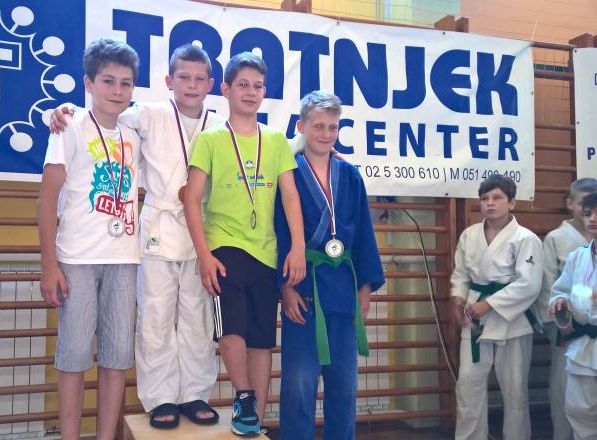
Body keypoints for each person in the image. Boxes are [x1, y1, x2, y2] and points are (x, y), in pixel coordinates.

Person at [49, 44, 227, 429]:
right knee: (155, 317)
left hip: (201, 230)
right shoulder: (147, 114)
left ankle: (195, 393)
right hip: (156, 228)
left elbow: (254, 140)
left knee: (197, 317)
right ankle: (161, 398)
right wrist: (64, 110)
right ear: (169, 81)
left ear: (211, 84)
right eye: (183, 77)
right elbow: (101, 114)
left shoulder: (220, 123)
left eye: (199, 78)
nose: (191, 85)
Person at [184, 51, 306, 436]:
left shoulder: (276, 140)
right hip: (225, 247)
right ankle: (244, 396)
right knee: (232, 328)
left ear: (264, 92)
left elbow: (290, 197)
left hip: (266, 252)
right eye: (243, 85)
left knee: (262, 338)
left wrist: (298, 247)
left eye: (257, 86)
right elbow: (191, 198)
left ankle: (257, 420)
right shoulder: (210, 139)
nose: (251, 92)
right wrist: (204, 255)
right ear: (225, 89)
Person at [37, 38, 142, 440]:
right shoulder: (69, 126)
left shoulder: (134, 133)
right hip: (76, 260)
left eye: (125, 83)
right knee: (74, 359)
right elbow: (47, 199)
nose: (117, 90)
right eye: (108, 81)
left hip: (124, 259)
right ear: (88, 83)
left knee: (117, 359)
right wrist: (49, 265)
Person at [275, 90, 385, 440]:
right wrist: (285, 287)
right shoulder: (288, 174)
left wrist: (365, 289)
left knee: (344, 390)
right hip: (304, 292)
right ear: (301, 127)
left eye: (332, 127)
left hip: (343, 294)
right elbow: (278, 232)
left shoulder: (350, 175)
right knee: (298, 388)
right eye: (318, 126)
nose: (325, 133)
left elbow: (364, 233)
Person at [450, 174, 543, 440]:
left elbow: (529, 284)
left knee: (514, 391)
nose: (490, 203)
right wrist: (458, 298)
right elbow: (461, 274)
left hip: (512, 321)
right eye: (484, 198)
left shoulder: (526, 239)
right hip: (474, 317)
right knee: (468, 386)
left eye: (497, 198)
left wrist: (489, 304)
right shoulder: (469, 235)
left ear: (511, 203)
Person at [537, 178, 597, 440]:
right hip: (576, 338)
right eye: (589, 213)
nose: (593, 219)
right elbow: (557, 290)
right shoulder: (577, 256)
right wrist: (560, 308)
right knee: (577, 408)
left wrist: (585, 297)